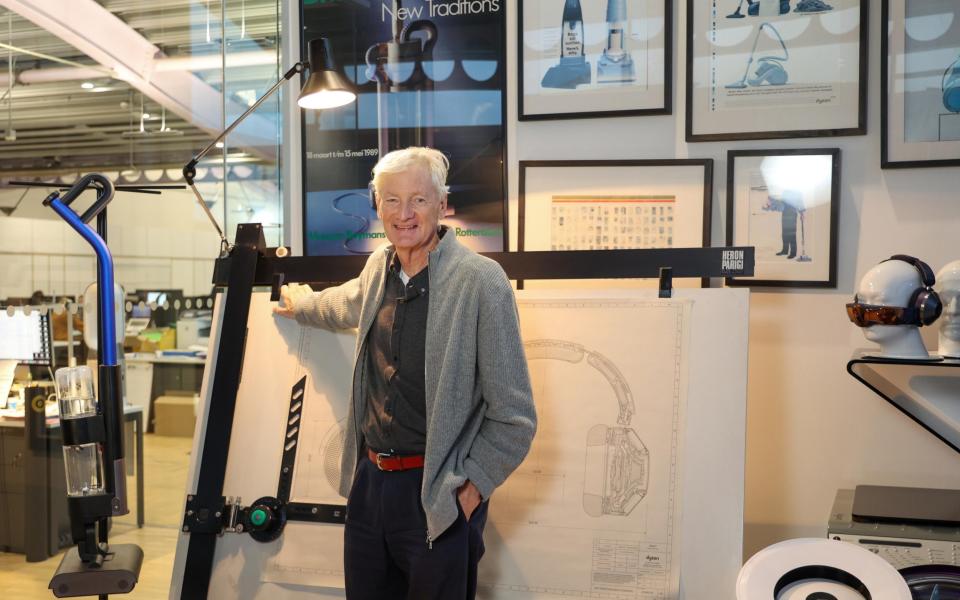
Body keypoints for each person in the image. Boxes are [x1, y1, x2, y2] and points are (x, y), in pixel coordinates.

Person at [274, 146, 536, 600]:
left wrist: (468, 491)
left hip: (436, 494)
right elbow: (348, 302)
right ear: (377, 206)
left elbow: (514, 417)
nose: (404, 213)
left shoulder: (481, 281)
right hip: (371, 486)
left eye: (418, 199)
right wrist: (302, 305)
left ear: (442, 203)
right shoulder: (380, 266)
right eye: (391, 200)